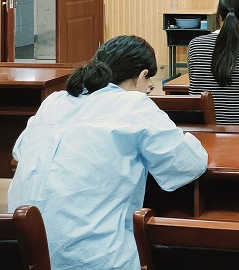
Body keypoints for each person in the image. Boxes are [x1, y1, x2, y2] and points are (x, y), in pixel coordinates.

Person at [8, 35, 208, 270]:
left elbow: (19, 153)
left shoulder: (54, 101)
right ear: (142, 75)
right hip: (94, 258)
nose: (148, 89)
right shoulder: (134, 104)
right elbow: (186, 165)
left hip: (24, 253)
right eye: (149, 84)